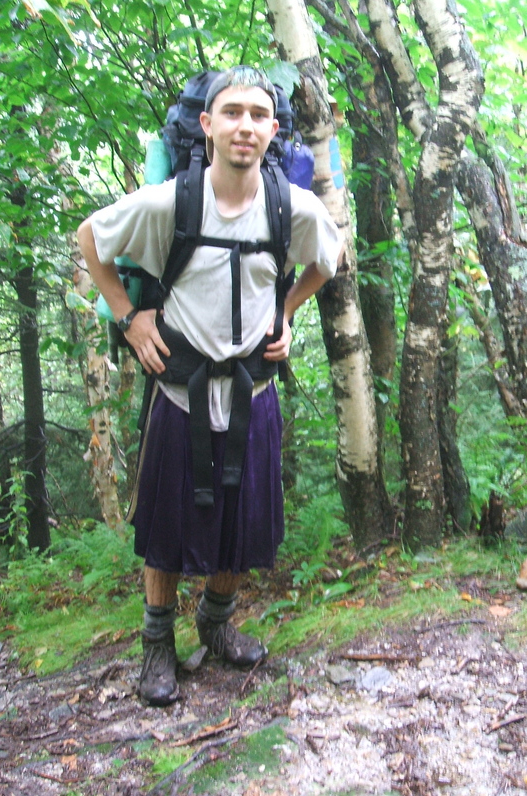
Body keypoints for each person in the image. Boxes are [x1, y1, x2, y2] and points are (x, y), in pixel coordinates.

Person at [77, 66, 343, 706]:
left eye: (257, 115)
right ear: (207, 124)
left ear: (272, 129)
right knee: (167, 527)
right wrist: (130, 317)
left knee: (242, 519)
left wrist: (286, 311)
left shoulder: (290, 207)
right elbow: (90, 238)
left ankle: (216, 624)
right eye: (232, 112)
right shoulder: (171, 203)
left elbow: (327, 260)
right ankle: (156, 645)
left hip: (253, 391)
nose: (245, 126)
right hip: (180, 391)